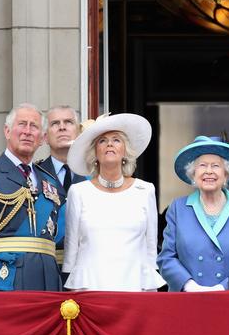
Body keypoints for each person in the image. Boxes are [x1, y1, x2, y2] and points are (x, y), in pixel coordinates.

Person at [63, 113, 165, 291]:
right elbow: (71, 250)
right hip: (90, 288)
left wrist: (151, 290)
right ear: (94, 153)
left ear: (125, 150)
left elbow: (150, 250)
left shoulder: (145, 190)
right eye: (102, 141)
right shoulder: (78, 192)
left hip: (135, 287)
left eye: (116, 139)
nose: (109, 144)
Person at [158, 136, 229, 291]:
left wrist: (223, 287)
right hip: (187, 299)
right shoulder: (178, 208)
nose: (209, 171)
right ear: (193, 174)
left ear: (226, 173)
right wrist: (189, 286)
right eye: (202, 165)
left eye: (215, 166)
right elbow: (166, 257)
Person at [0, 103, 64, 291]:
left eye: (34, 126)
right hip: (3, 280)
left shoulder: (51, 183)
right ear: (7, 131)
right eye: (22, 124)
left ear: (42, 138)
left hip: (47, 281)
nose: (27, 132)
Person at [39, 105, 86, 277]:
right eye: (55, 123)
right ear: (44, 136)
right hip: (46, 269)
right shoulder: (34, 176)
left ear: (79, 133)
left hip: (85, 269)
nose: (62, 127)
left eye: (68, 122)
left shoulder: (94, 177)